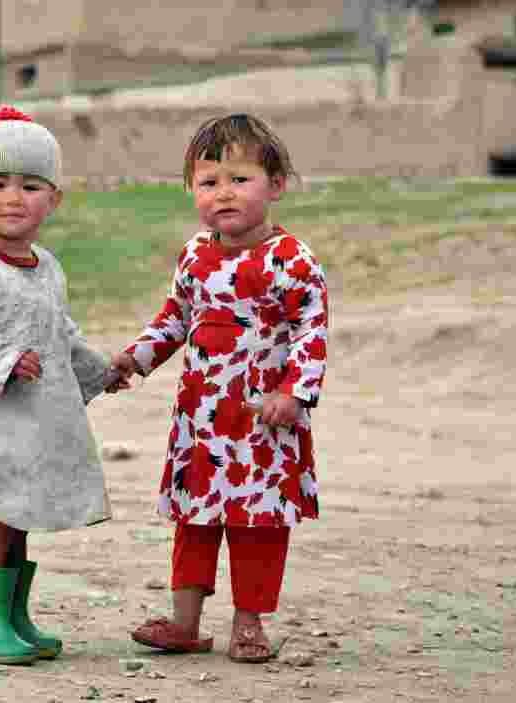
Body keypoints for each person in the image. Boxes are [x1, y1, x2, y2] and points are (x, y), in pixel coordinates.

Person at [106, 114, 328, 663]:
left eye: (239, 179)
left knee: (258, 524)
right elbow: (175, 318)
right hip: (201, 422)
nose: (223, 193)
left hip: (262, 424)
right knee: (194, 520)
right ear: (192, 192)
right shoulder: (195, 256)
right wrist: (135, 358)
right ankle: (185, 623)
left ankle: (248, 624)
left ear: (275, 185)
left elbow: (311, 330)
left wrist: (294, 394)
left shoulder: (292, 260)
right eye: (209, 183)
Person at [0, 105, 122, 665]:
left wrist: (98, 371)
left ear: (53, 199)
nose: (14, 198)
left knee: (19, 516)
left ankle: (13, 615)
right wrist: (2, 359)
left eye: (31, 186)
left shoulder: (48, 267)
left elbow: (58, 332)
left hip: (31, 422)